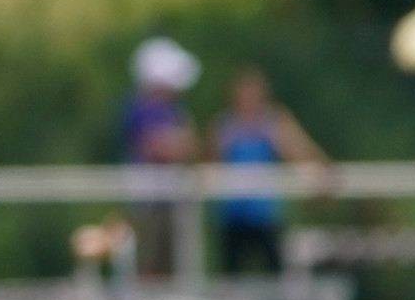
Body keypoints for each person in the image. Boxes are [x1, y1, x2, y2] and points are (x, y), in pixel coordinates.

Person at [211, 68, 328, 274]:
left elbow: (299, 153)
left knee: (274, 273)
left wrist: (317, 173)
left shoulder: (273, 124)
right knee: (230, 277)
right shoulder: (225, 126)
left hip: (264, 215)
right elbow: (209, 163)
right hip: (233, 214)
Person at [119, 36, 202, 278]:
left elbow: (191, 147)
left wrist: (177, 143)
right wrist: (177, 143)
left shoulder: (172, 110)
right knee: (148, 263)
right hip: (148, 201)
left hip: (170, 199)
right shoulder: (140, 109)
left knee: (171, 264)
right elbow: (155, 148)